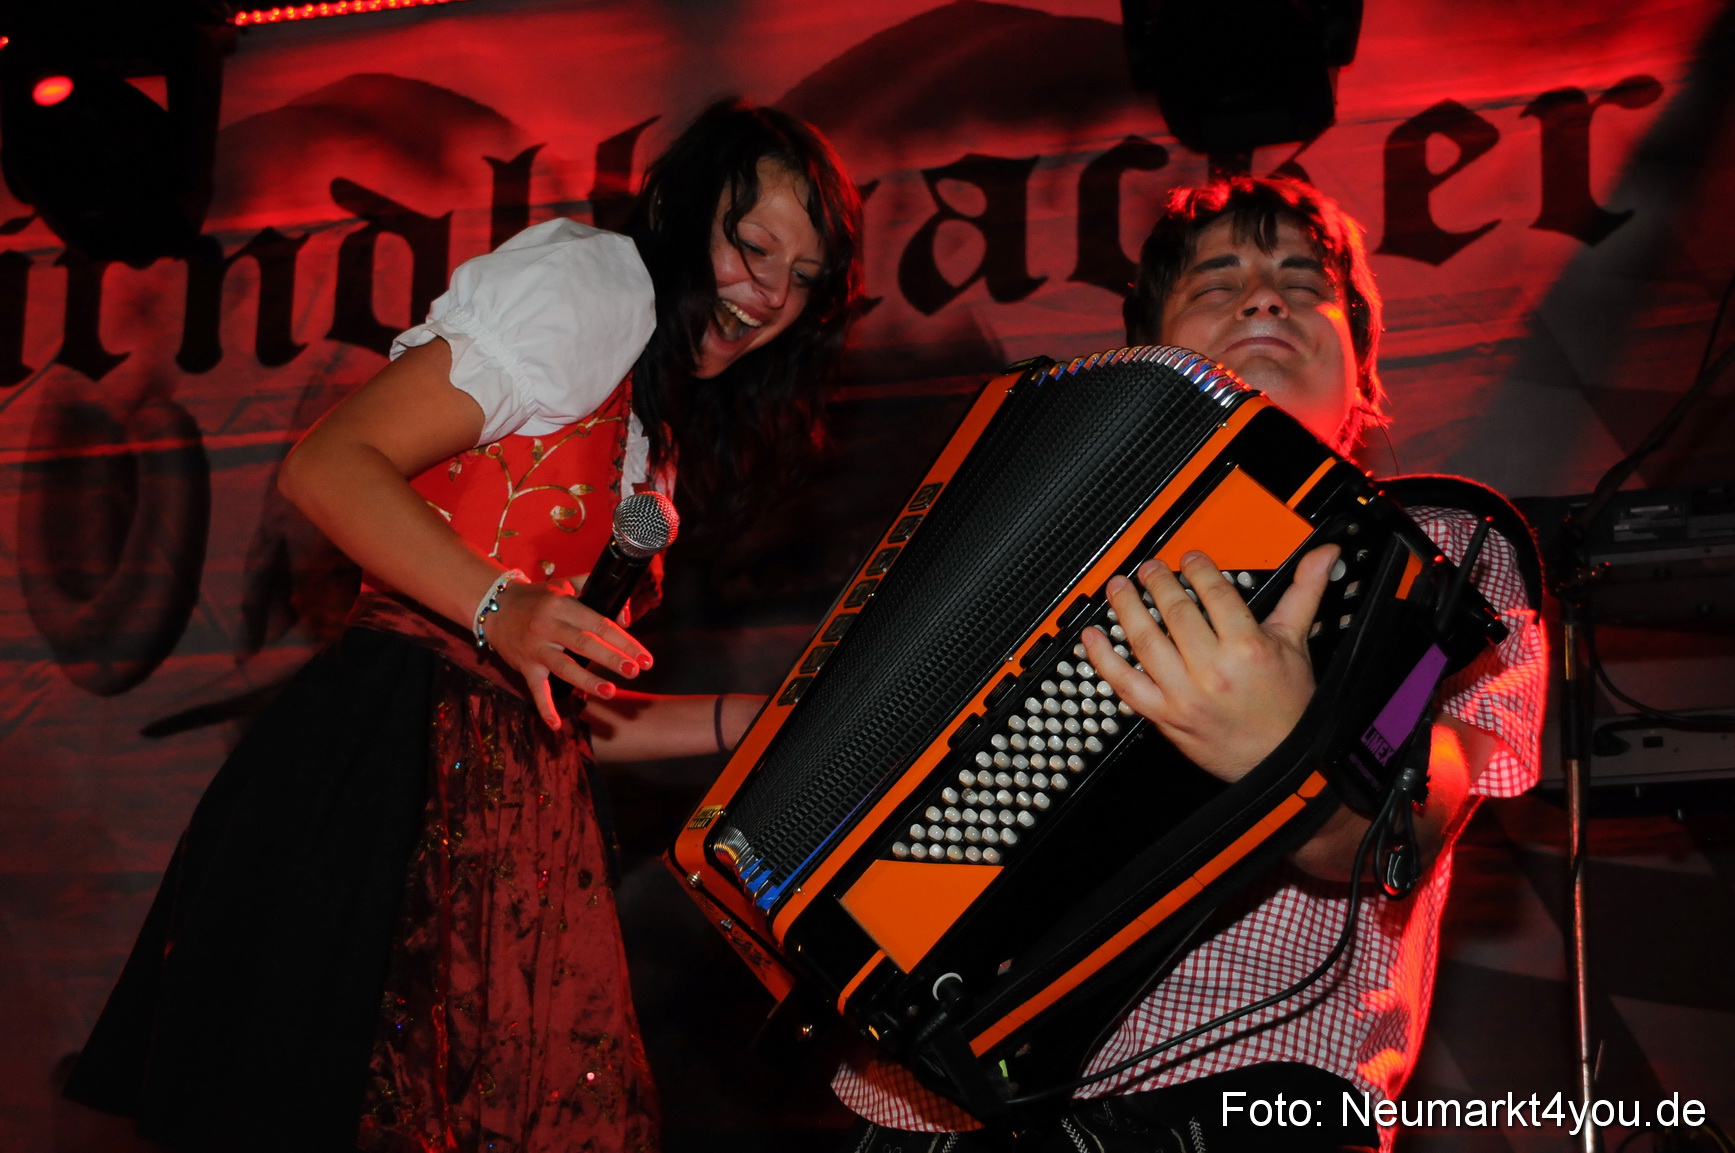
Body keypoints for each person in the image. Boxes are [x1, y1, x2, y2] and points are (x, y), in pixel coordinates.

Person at [63, 99, 863, 1153]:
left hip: (514, 809)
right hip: (381, 775)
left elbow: (567, 697)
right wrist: (502, 606)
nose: (769, 296)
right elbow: (328, 462)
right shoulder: (593, 286)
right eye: (752, 245)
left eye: (803, 279)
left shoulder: (648, 425)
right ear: (675, 212)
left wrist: (758, 721)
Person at [830, 176, 1545, 1152]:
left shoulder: (1438, 550)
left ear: (1363, 372)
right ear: (1152, 361)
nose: (1263, 297)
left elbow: (1393, 839)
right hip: (927, 1108)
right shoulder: (1036, 555)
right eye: (1219, 282)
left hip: (1236, 1098)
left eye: (1303, 277)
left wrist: (1284, 753)